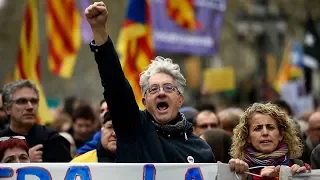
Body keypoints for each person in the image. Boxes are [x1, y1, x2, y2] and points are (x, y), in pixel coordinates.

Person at [85, 1, 215, 163]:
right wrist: (99, 31)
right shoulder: (133, 128)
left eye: (168, 88)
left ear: (180, 98)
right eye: (153, 89)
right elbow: (115, 84)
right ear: (145, 101)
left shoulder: (201, 150)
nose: (161, 92)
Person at [230, 103, 309, 179]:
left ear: (281, 134)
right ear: (248, 137)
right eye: (258, 128)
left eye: (270, 127)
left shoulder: (301, 168)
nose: (265, 133)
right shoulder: (238, 171)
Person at [0, 80, 71, 162]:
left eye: (34, 101)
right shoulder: (1, 139)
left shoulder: (55, 142)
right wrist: (27, 162)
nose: (30, 107)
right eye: (22, 101)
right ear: (7, 108)